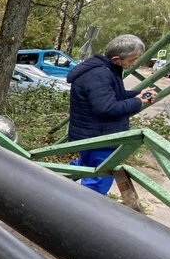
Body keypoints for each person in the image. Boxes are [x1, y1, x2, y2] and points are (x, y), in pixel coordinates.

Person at [67, 34, 156, 194]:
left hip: (93, 135)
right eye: (131, 60)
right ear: (116, 58)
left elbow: (111, 95)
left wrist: (137, 94)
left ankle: (48, 184)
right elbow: (106, 108)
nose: (133, 63)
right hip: (99, 139)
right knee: (97, 182)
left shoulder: (105, 70)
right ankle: (86, 213)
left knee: (85, 167)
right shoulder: (99, 75)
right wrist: (138, 102)